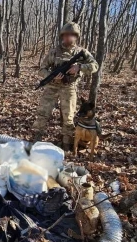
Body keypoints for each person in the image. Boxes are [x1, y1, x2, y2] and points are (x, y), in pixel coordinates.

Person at [33, 22, 98, 150]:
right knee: (42, 113)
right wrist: (52, 74)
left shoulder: (82, 52)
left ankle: (66, 144)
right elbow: (42, 69)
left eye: (71, 35)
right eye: (66, 35)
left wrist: (79, 67)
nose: (68, 37)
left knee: (69, 117)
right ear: (62, 36)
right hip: (52, 86)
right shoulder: (54, 52)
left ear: (76, 36)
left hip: (69, 87)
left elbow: (95, 66)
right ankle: (36, 139)